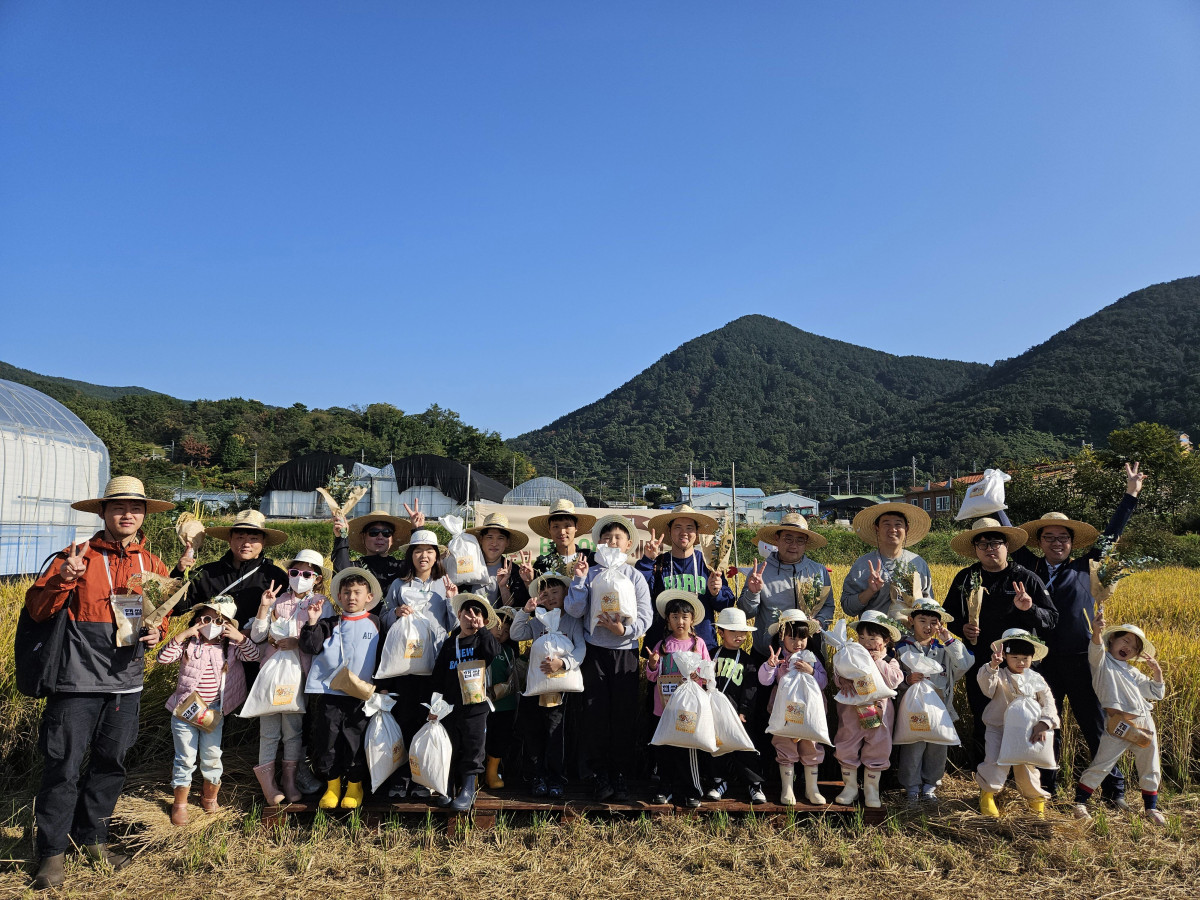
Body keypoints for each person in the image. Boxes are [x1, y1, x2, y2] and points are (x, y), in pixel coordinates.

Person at [24, 477, 173, 891]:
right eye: (119, 507)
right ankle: (51, 853)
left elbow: (158, 616)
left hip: (127, 682)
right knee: (64, 767)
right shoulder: (75, 556)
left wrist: (155, 630)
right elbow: (37, 610)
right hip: (76, 682)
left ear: (144, 515)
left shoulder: (153, 564)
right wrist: (64, 579)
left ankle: (94, 840)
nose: (128, 514)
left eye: (136, 508)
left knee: (111, 764)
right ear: (102, 512)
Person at [999, 462, 1146, 805]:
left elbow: (1111, 535)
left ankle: (1115, 791)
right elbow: (1008, 532)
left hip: (1083, 659)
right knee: (1047, 724)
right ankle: (1048, 787)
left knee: (1097, 727)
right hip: (1041, 663)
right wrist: (996, 500)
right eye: (1048, 537)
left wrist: (1131, 494)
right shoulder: (1027, 566)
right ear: (1039, 542)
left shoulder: (1086, 566)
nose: (1056, 543)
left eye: (1062, 538)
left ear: (1072, 542)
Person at [942, 517, 1057, 759]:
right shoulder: (965, 577)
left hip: (1019, 666)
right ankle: (985, 773)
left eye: (995, 543)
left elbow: (1051, 619)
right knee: (983, 716)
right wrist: (962, 628)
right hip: (981, 662)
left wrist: (1029, 609)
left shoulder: (1025, 577)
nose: (989, 549)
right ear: (975, 550)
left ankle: (1020, 770)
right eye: (982, 545)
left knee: (1023, 716)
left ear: (1007, 546)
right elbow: (948, 614)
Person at [563, 515, 652, 802]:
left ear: (628, 544)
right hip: (594, 652)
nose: (612, 541)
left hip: (625, 653)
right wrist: (577, 580)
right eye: (607, 537)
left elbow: (645, 617)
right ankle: (599, 774)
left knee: (623, 715)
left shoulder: (634, 576)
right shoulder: (589, 573)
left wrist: (624, 630)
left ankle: (620, 773)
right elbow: (576, 611)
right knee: (595, 713)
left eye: (618, 537)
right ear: (598, 542)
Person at [158, 598, 260, 824]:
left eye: (219, 621)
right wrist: (182, 635)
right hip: (184, 711)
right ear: (197, 621)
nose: (212, 624)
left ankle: (209, 796)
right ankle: (180, 803)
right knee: (185, 757)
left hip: (213, 712)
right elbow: (163, 658)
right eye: (206, 619)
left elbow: (254, 656)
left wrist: (240, 637)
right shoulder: (189, 644)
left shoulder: (231, 648)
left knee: (212, 755)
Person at [247, 548, 333, 805]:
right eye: (295, 572)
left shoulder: (322, 603)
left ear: (317, 578)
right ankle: (268, 784)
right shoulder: (277, 599)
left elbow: (322, 638)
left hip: (300, 675)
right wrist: (264, 608)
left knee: (294, 731)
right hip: (271, 674)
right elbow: (257, 636)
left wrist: (298, 640)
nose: (300, 577)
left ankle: (289, 780)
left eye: (307, 573)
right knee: (269, 730)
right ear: (288, 573)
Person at [299, 567, 383, 811]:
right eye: (346, 592)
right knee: (328, 738)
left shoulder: (376, 623)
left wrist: (383, 688)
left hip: (361, 694)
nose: (351, 597)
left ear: (369, 596)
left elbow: (384, 657)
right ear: (339, 596)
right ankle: (333, 784)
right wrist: (312, 622)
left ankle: (355, 784)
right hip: (330, 693)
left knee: (355, 738)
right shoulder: (329, 623)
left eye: (357, 592)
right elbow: (310, 647)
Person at [1072, 615, 1166, 825]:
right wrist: (1096, 631)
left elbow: (1155, 693)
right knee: (1102, 763)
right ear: (1112, 640)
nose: (1128, 648)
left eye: (1133, 647)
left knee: (1150, 763)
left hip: (1144, 722)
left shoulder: (1133, 672)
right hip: (1118, 724)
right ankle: (1080, 803)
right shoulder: (1102, 663)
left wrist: (1157, 672)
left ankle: (1151, 808)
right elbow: (1095, 648)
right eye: (1125, 641)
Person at [511, 573, 586, 799]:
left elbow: (581, 648)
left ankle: (556, 778)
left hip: (561, 689)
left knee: (556, 733)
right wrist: (526, 611)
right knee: (534, 732)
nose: (552, 597)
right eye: (547, 593)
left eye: (556, 592)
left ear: (566, 594)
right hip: (536, 687)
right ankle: (537, 776)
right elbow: (515, 634)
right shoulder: (537, 621)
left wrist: (563, 663)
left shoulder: (573, 621)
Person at [894, 599, 973, 801]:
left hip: (939, 708)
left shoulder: (944, 648)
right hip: (913, 708)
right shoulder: (902, 647)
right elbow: (891, 676)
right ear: (911, 620)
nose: (928, 627)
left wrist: (949, 641)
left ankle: (930, 785)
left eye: (933, 622)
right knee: (913, 745)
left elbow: (963, 665)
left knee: (938, 746)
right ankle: (911, 787)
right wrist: (906, 680)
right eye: (922, 620)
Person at [429, 593, 502, 811]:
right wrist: (435, 704)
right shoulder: (451, 642)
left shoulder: (482, 639)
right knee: (450, 745)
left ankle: (468, 790)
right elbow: (438, 675)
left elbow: (492, 653)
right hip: (450, 706)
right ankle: (447, 786)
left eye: (477, 614)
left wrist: (484, 631)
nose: (471, 618)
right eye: (467, 613)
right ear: (459, 615)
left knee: (473, 746)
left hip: (475, 706)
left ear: (484, 620)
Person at [975, 629, 1059, 818]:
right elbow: (986, 687)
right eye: (1015, 657)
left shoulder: (1037, 679)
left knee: (1027, 765)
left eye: (1025, 658)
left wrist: (1044, 723)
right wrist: (993, 666)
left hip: (1028, 730)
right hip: (999, 728)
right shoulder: (999, 675)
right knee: (995, 761)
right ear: (1005, 656)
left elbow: (1049, 702)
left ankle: (1035, 800)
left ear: (1032, 658)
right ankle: (987, 794)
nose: (1021, 663)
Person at [637, 504, 735, 654]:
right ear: (669, 531)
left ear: (696, 533)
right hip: (663, 650)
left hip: (701, 649)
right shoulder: (658, 563)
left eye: (689, 527)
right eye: (678, 527)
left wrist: (717, 593)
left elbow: (725, 604)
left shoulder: (709, 564)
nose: (684, 532)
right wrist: (647, 561)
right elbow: (638, 592)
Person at [644, 590, 711, 808]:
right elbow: (652, 677)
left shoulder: (698, 644)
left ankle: (691, 789)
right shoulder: (662, 646)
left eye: (684, 617)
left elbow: (708, 672)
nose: (679, 621)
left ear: (692, 620)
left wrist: (698, 675)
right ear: (668, 620)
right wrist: (653, 663)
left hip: (687, 710)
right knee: (664, 749)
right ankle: (666, 787)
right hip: (663, 709)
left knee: (686, 749)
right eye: (674, 617)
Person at [832, 610, 905, 809]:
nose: (867, 643)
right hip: (851, 712)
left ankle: (872, 789)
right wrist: (842, 679)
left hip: (878, 711)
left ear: (886, 640)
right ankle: (850, 787)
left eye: (873, 638)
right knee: (847, 743)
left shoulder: (890, 661)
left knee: (878, 745)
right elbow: (837, 674)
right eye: (862, 638)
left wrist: (877, 662)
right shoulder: (850, 655)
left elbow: (894, 681)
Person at [758, 609, 828, 807]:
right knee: (785, 744)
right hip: (784, 714)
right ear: (782, 637)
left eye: (802, 638)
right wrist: (771, 665)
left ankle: (812, 788)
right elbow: (765, 681)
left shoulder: (812, 659)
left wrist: (812, 671)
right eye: (792, 638)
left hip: (810, 715)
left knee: (811, 745)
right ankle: (787, 788)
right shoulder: (780, 660)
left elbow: (823, 682)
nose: (798, 643)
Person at [174, 509, 289, 630]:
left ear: (263, 542)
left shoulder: (275, 578)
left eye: (254, 538)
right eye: (240, 537)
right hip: (209, 645)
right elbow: (178, 608)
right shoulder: (206, 573)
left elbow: (284, 621)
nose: (246, 544)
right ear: (230, 539)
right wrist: (180, 572)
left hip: (253, 647)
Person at [739, 513, 833, 655]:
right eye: (788, 539)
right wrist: (753, 593)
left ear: (806, 543)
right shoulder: (759, 573)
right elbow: (745, 613)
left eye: (800, 540)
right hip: (768, 655)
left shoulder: (818, 571)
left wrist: (819, 622)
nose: (793, 545)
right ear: (777, 539)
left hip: (809, 653)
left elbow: (828, 606)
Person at [706, 608, 765, 804]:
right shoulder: (711, 655)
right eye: (733, 632)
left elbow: (750, 688)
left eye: (742, 632)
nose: (739, 636)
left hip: (738, 714)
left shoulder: (748, 661)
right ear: (721, 632)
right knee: (716, 748)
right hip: (714, 713)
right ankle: (718, 781)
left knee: (745, 748)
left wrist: (744, 710)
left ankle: (754, 784)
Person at [841, 502, 935, 618]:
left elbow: (930, 606)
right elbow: (848, 608)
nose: (893, 529)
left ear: (906, 528)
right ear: (877, 528)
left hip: (909, 635)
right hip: (875, 634)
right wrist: (870, 591)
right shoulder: (863, 565)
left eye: (898, 524)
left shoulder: (918, 563)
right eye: (886, 524)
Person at [331, 504, 419, 596]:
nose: (380, 537)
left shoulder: (400, 567)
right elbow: (341, 574)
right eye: (374, 533)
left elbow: (421, 564)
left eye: (386, 533)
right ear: (363, 537)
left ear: (392, 539)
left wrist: (417, 530)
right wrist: (342, 536)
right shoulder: (355, 568)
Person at [382, 529, 458, 629]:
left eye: (429, 551)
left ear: (436, 557)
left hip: (437, 644)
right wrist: (396, 612)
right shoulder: (399, 584)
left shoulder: (445, 584)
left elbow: (455, 625)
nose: (424, 556)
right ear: (411, 556)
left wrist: (452, 600)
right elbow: (383, 619)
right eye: (418, 551)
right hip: (406, 643)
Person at [483, 606, 521, 789]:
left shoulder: (508, 651)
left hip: (505, 705)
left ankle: (492, 772)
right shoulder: (478, 645)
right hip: (482, 703)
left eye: (506, 631)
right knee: (480, 738)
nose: (501, 633)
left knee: (500, 738)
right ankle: (474, 773)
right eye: (498, 627)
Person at [463, 511, 530, 608]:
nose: (494, 543)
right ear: (481, 539)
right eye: (489, 537)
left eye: (500, 538)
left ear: (507, 542)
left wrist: (503, 587)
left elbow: (515, 609)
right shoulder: (467, 565)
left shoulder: (514, 572)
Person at [526, 499, 597, 577]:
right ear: (549, 529)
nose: (562, 532)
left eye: (567, 526)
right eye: (556, 526)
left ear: (576, 527)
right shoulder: (541, 564)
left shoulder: (592, 559)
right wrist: (528, 582)